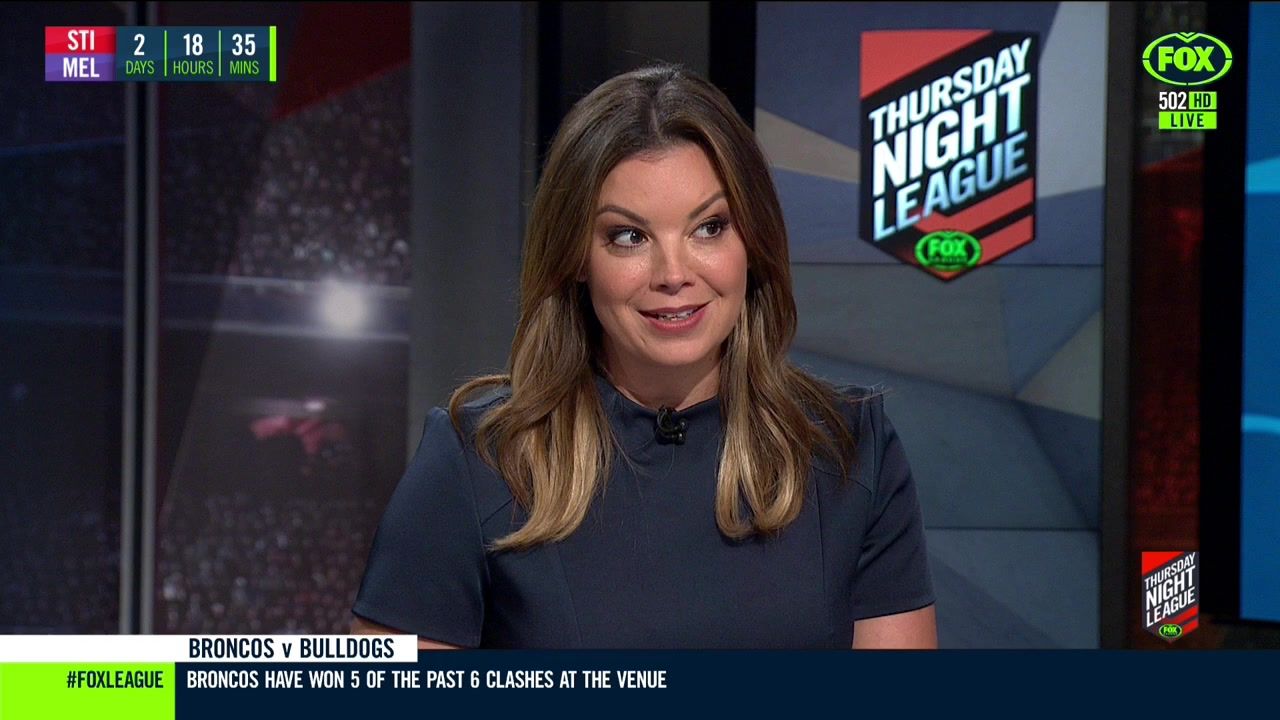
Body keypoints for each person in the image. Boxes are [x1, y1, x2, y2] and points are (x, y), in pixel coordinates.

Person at [351, 64, 936, 649]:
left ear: (753, 242)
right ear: (577, 259)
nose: (673, 274)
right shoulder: (476, 461)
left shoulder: (851, 449)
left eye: (709, 227)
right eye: (629, 236)